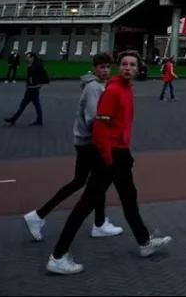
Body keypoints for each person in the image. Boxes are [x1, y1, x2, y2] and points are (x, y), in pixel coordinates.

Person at [46, 52, 172, 275]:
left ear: (137, 68)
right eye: (124, 64)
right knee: (85, 205)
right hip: (110, 157)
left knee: (129, 199)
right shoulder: (113, 91)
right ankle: (58, 256)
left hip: (121, 155)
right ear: (119, 68)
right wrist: (108, 159)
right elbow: (100, 129)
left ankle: (144, 242)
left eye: (132, 65)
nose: (127, 68)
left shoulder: (127, 89)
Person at [24, 54, 123, 242]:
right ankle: (39, 216)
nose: (105, 70)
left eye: (108, 67)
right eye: (101, 67)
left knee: (89, 181)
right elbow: (94, 119)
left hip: (87, 141)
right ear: (95, 68)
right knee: (92, 182)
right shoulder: (94, 87)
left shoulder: (98, 86)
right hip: (90, 143)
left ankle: (99, 223)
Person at [5, 53, 49, 126]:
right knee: (36, 104)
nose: (27, 59)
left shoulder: (33, 67)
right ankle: (39, 120)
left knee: (23, 104)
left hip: (31, 89)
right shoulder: (38, 66)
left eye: (29, 57)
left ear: (33, 58)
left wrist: (31, 84)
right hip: (35, 88)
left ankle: (13, 119)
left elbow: (32, 78)